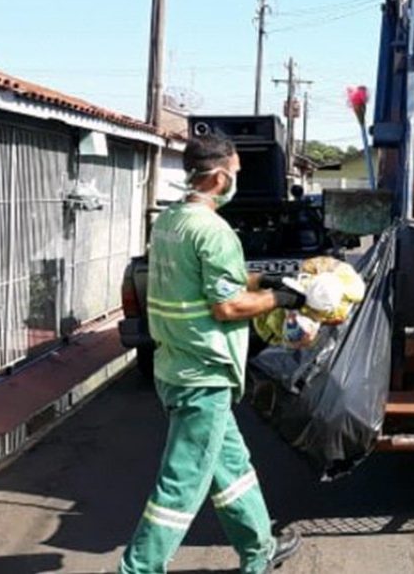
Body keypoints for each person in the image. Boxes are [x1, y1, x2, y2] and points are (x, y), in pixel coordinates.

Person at [120, 135, 304, 574]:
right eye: (235, 174)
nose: (235, 180)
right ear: (221, 176)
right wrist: (283, 300)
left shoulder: (170, 221)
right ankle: (139, 567)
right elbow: (227, 306)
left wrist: (268, 279)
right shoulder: (215, 232)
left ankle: (259, 550)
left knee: (232, 467)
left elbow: (214, 278)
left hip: (176, 363)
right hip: (202, 373)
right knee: (182, 482)